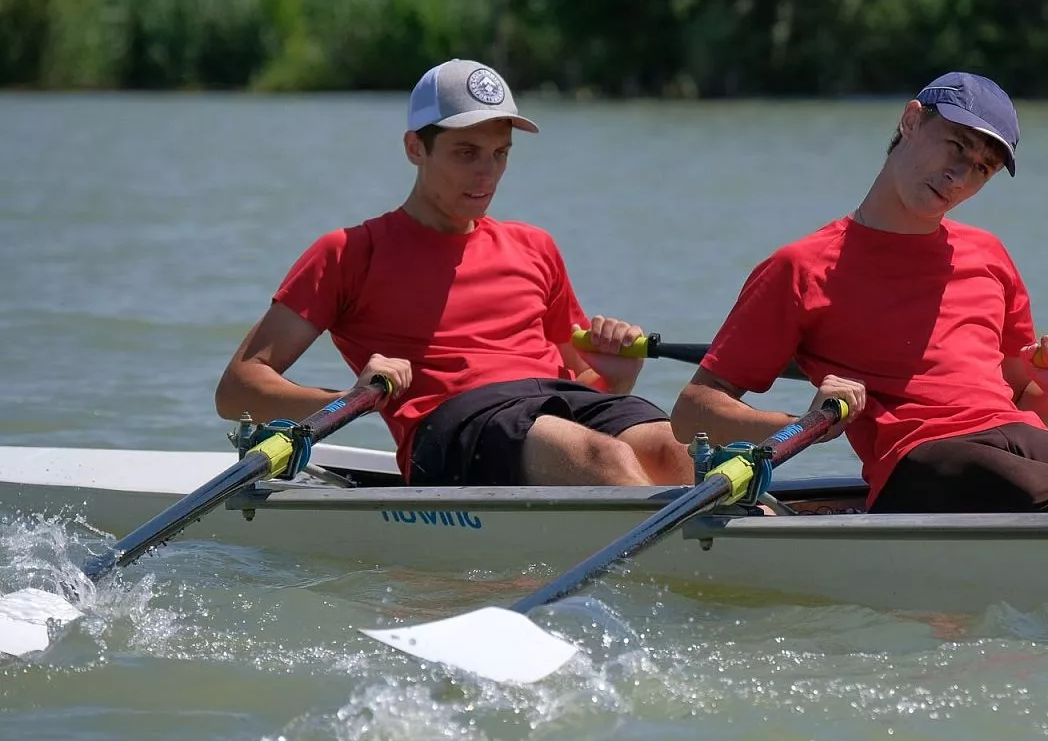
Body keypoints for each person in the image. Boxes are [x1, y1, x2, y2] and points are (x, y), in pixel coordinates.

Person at [671, 72, 1048, 514]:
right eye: (956, 146)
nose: (959, 176)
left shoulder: (989, 255)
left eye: (982, 168)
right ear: (910, 120)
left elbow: (1029, 407)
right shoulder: (801, 267)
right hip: (918, 459)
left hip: (1012, 436)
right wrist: (803, 426)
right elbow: (692, 412)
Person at [216, 59, 692, 488]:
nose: (487, 173)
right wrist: (349, 398)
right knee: (603, 458)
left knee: (676, 450)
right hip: (451, 427)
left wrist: (615, 377)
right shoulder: (348, 254)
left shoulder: (535, 246)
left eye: (500, 153)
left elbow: (581, 385)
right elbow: (237, 390)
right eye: (467, 152)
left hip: (547, 410)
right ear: (415, 148)